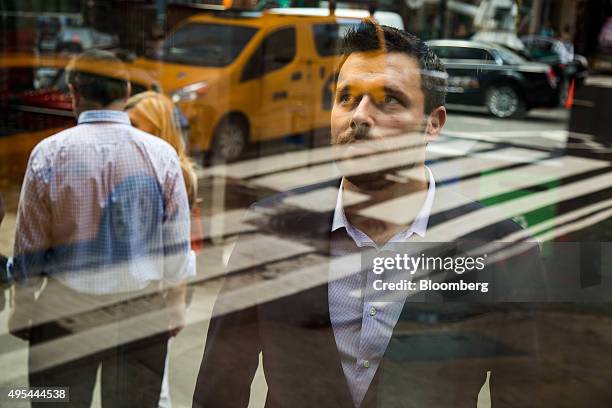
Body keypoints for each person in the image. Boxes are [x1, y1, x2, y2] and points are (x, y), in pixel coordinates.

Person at [193, 21, 545, 408]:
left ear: (433, 123)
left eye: (388, 99)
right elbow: (219, 383)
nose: (358, 117)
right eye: (346, 98)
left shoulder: (502, 250)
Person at [8, 50, 193, 408]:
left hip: (63, 311)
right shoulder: (162, 155)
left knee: (55, 401)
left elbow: (29, 248)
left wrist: (22, 306)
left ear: (73, 93)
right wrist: (174, 305)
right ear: (125, 90)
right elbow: (175, 248)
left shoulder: (48, 154)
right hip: (140, 310)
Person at [125, 91, 198, 408]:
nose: (126, 132)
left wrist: (176, 302)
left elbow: (175, 246)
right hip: (152, 284)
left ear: (156, 130)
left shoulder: (176, 171)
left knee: (154, 385)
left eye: (134, 124)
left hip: (163, 286)